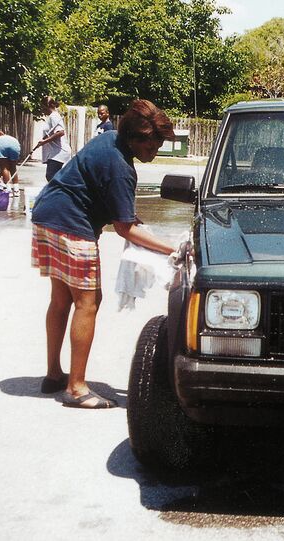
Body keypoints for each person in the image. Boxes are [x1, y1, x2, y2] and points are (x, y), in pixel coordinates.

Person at [30, 99, 178, 409]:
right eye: (150, 146)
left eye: (158, 146)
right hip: (71, 224)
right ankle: (76, 388)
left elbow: (108, 200)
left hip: (46, 214)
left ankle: (54, 374)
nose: (154, 152)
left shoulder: (110, 139)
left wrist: (129, 220)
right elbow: (125, 229)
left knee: (61, 299)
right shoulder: (121, 168)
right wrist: (173, 248)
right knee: (88, 302)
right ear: (133, 139)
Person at [34, 96, 71, 182]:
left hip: (59, 152)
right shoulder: (52, 116)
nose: (42, 110)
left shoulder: (54, 116)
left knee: (51, 176)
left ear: (47, 106)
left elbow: (60, 132)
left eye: (42, 107)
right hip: (55, 152)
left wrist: (44, 141)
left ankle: (61, 190)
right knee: (53, 176)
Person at [0, 130, 22, 197]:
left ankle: (8, 190)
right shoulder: (9, 137)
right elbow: (1, 133)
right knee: (13, 168)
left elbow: (0, 132)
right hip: (15, 145)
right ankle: (16, 190)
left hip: (2, 146)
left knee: (4, 168)